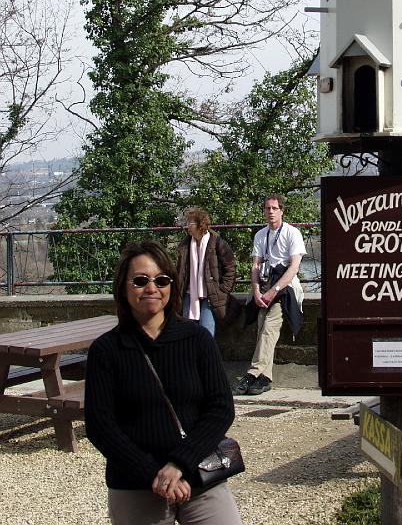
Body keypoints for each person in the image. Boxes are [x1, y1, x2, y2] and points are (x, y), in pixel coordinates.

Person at [85, 240, 243, 525]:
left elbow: (220, 408)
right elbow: (101, 426)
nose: (151, 288)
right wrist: (154, 474)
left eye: (161, 280)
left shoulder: (197, 340)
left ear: (172, 285)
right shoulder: (106, 351)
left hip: (199, 474)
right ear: (123, 287)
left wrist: (178, 464)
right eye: (140, 280)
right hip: (136, 483)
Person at [233, 194, 306, 396]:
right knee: (262, 329)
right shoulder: (260, 235)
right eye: (268, 208)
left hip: (284, 288)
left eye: (274, 208)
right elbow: (256, 265)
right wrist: (256, 290)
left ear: (281, 210)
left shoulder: (292, 233)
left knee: (269, 328)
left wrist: (274, 291)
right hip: (265, 285)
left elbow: (294, 268)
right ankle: (266, 378)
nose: (271, 212)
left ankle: (253, 372)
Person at [176, 208, 237, 337]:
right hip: (189, 294)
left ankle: (207, 357)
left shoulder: (217, 243)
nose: (187, 227)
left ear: (200, 225)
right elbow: (180, 271)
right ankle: (190, 357)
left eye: (190, 224)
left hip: (210, 295)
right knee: (187, 331)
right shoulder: (185, 245)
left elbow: (230, 267)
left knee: (207, 331)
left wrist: (223, 289)